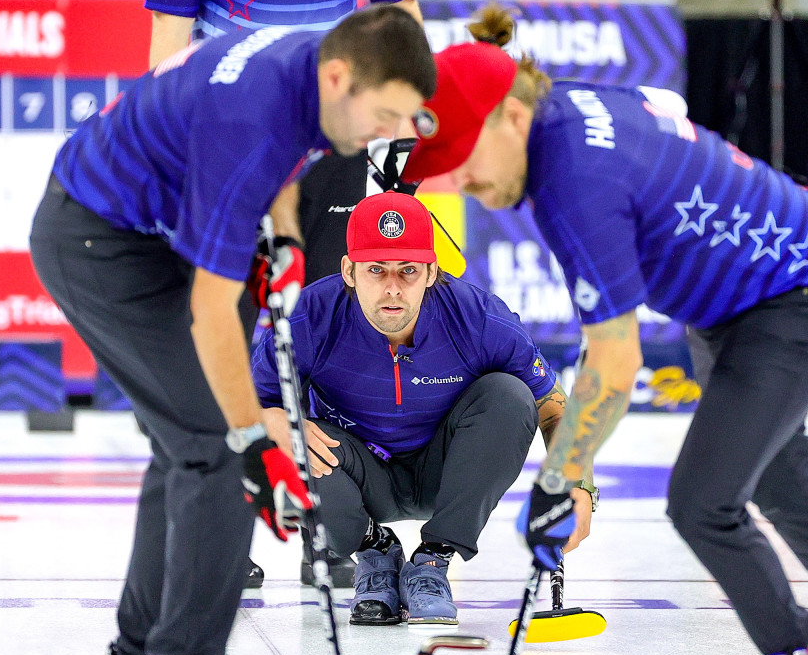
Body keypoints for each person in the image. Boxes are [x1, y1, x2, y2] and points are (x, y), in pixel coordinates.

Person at [402, 6, 808, 655]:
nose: (460, 180)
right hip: (739, 298)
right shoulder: (563, 115)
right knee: (779, 471)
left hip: (797, 293)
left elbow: (616, 362)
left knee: (702, 502)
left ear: (511, 117)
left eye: (463, 156)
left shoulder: (574, 180)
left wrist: (561, 479)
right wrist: (568, 477)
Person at [28, 6, 435, 655]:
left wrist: (286, 237)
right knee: (216, 451)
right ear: (340, 78)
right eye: (383, 116)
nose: (388, 134)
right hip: (100, 244)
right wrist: (255, 440)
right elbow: (211, 313)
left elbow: (285, 163)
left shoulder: (313, 68)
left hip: (135, 231)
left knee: (185, 449)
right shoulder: (249, 117)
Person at [144, 0, 427, 587]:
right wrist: (179, 147)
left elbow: (401, 17)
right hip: (232, 128)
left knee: (328, 323)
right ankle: (222, 531)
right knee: (230, 321)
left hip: (336, 131)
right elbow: (170, 25)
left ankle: (331, 525)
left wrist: (404, 141)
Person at [252, 191, 589, 625]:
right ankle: (375, 553)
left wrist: (577, 487)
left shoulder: (480, 319)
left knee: (511, 395)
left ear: (431, 271)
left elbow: (553, 405)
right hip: (354, 469)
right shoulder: (307, 317)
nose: (392, 287)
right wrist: (270, 418)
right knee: (288, 435)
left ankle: (432, 561)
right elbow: (247, 403)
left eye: (408, 270)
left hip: (446, 471)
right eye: (376, 270)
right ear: (349, 271)